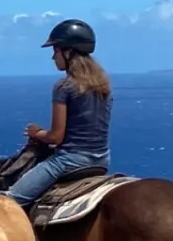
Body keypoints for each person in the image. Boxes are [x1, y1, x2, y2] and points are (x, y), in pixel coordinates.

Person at [8, 18, 113, 207]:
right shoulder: (104, 85)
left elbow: (56, 137)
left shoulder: (64, 86)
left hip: (69, 161)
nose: (52, 57)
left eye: (55, 51)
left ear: (68, 52)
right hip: (101, 160)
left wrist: (36, 133)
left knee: (9, 202)